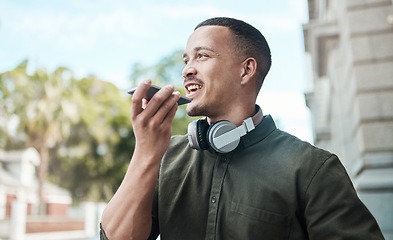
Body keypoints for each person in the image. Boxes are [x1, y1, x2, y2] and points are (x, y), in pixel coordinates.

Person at [100, 17, 384, 239]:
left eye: (202, 56)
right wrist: (146, 153)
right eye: (186, 60)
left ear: (246, 70)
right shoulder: (165, 155)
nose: (187, 69)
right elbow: (116, 237)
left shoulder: (312, 168)